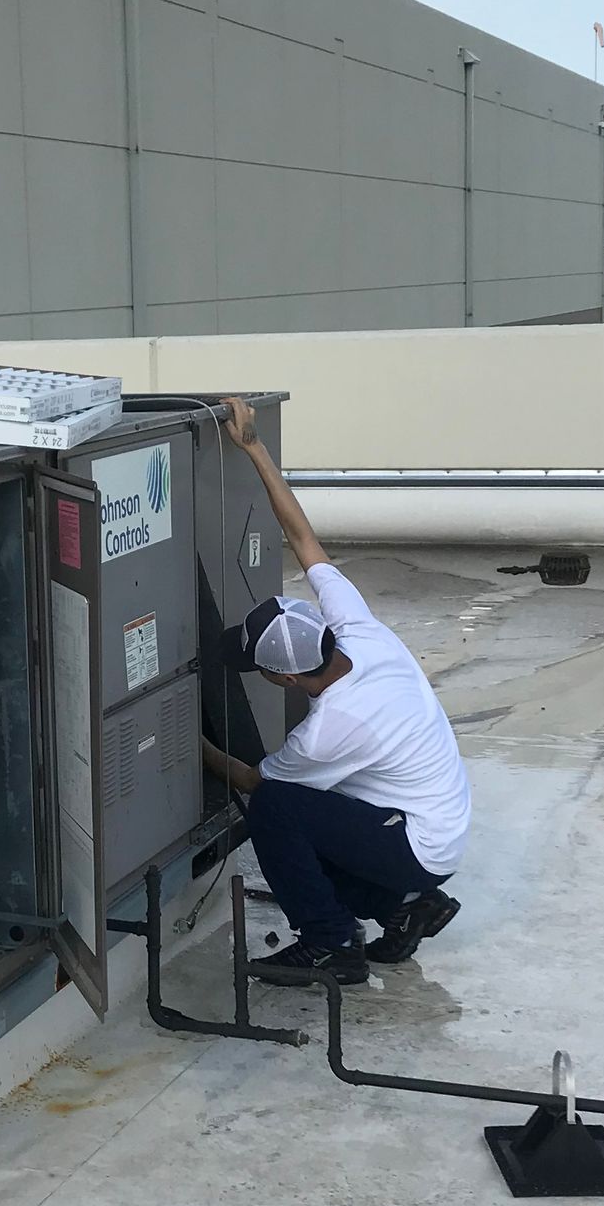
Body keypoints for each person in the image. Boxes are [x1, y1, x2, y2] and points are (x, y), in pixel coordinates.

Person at [203, 398, 469, 989]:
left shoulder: (330, 729)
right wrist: (253, 448)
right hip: (438, 819)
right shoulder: (359, 632)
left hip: (419, 840)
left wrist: (183, 741)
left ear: (287, 679)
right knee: (310, 821)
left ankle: (329, 944)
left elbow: (253, 783)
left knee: (277, 811)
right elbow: (305, 540)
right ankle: (406, 908)